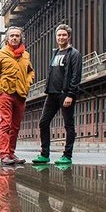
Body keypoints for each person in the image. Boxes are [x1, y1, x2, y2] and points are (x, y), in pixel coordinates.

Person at [32, 24, 82, 166]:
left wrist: (70, 94)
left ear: (69, 37)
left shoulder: (74, 54)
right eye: (59, 35)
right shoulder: (55, 53)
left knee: (68, 125)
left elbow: (76, 76)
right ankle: (44, 154)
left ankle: (67, 155)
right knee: (43, 122)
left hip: (65, 94)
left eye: (64, 35)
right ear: (56, 37)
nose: (61, 37)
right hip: (52, 94)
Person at [0, 26, 35, 165]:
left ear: (21, 38)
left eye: (17, 35)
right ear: (7, 39)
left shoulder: (25, 55)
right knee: (6, 124)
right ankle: (4, 155)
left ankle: (11, 153)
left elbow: (30, 72)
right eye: (12, 36)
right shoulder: (0, 54)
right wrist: (0, 90)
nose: (14, 38)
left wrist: (27, 84)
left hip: (20, 94)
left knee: (15, 126)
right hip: (6, 94)